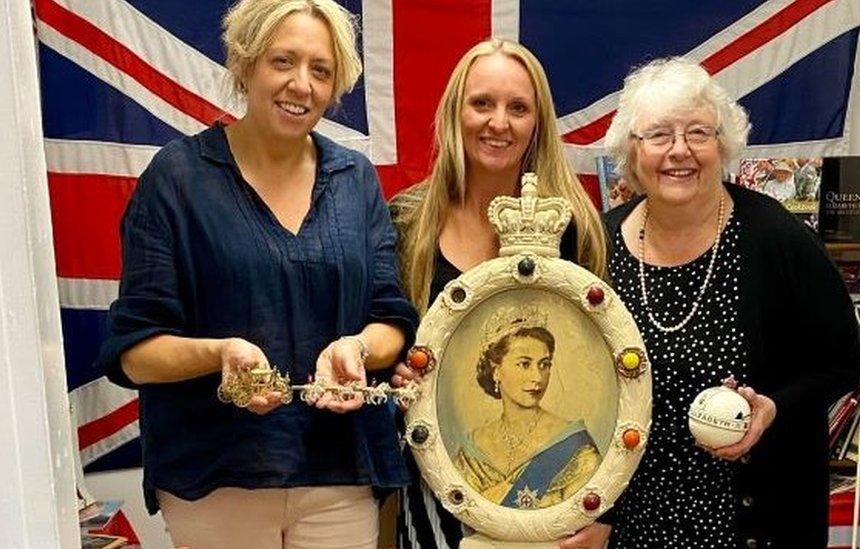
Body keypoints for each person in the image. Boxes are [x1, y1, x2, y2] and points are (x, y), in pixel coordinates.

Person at [94, 1, 417, 548]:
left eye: (321, 70)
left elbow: (391, 319)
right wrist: (220, 354)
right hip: (217, 478)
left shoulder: (355, 179)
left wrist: (358, 349)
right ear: (245, 64)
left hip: (340, 472)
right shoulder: (177, 179)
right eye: (282, 61)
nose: (301, 85)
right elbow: (135, 352)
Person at [563, 57, 860, 548]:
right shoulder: (599, 244)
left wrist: (771, 408)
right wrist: (593, 509)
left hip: (749, 522)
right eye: (659, 135)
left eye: (698, 133)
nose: (679, 151)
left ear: (722, 144)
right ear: (631, 151)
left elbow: (842, 363)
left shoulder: (777, 239)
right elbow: (576, 387)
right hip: (628, 520)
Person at [387, 38, 607, 549]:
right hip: (434, 491)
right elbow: (381, 334)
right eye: (482, 103)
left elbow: (611, 374)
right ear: (454, 112)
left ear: (538, 122)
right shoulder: (405, 222)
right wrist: (393, 368)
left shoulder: (577, 227)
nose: (499, 123)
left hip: (556, 499)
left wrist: (604, 508)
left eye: (518, 108)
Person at [454, 306, 599, 509]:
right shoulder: (474, 447)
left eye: (544, 365)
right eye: (524, 364)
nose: (537, 378)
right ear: (496, 371)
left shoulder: (575, 446)